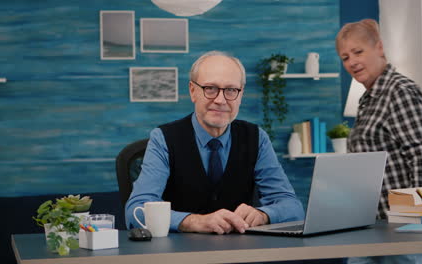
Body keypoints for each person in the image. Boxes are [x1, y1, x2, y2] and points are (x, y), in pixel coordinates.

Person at [125, 50, 304, 235]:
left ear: (240, 95)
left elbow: (293, 207)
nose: (220, 100)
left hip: (241, 253)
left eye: (231, 90)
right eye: (210, 88)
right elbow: (135, 212)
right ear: (193, 91)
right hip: (179, 254)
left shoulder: (257, 138)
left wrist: (264, 214)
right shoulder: (163, 138)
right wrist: (192, 221)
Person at [335, 19, 422, 264]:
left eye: (358, 52)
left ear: (379, 47)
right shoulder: (368, 99)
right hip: (370, 225)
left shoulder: (399, 90)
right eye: (345, 57)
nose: (352, 62)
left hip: (402, 228)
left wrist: (421, 222)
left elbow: (421, 153)